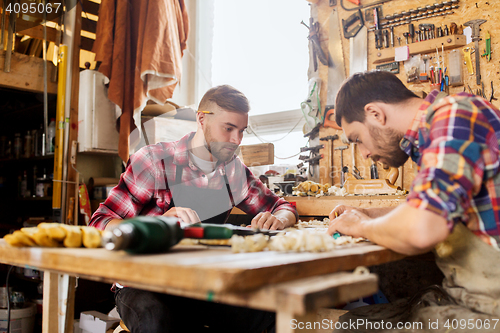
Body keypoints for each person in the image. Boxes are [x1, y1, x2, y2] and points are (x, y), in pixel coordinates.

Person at [90, 85, 298, 332]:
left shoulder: (233, 170)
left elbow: (281, 206)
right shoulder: (154, 161)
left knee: (272, 312)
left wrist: (279, 219)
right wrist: (152, 226)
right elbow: (100, 222)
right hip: (142, 282)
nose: (236, 140)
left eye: (241, 131)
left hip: (198, 283)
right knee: (157, 320)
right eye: (228, 128)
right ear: (202, 119)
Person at [328, 71, 500, 332]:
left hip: (490, 307)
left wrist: (361, 226)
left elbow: (423, 227)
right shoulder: (433, 135)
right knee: (353, 323)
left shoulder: (455, 115)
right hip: (466, 296)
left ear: (375, 113)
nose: (363, 154)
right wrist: (367, 212)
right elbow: (431, 208)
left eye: (358, 139)